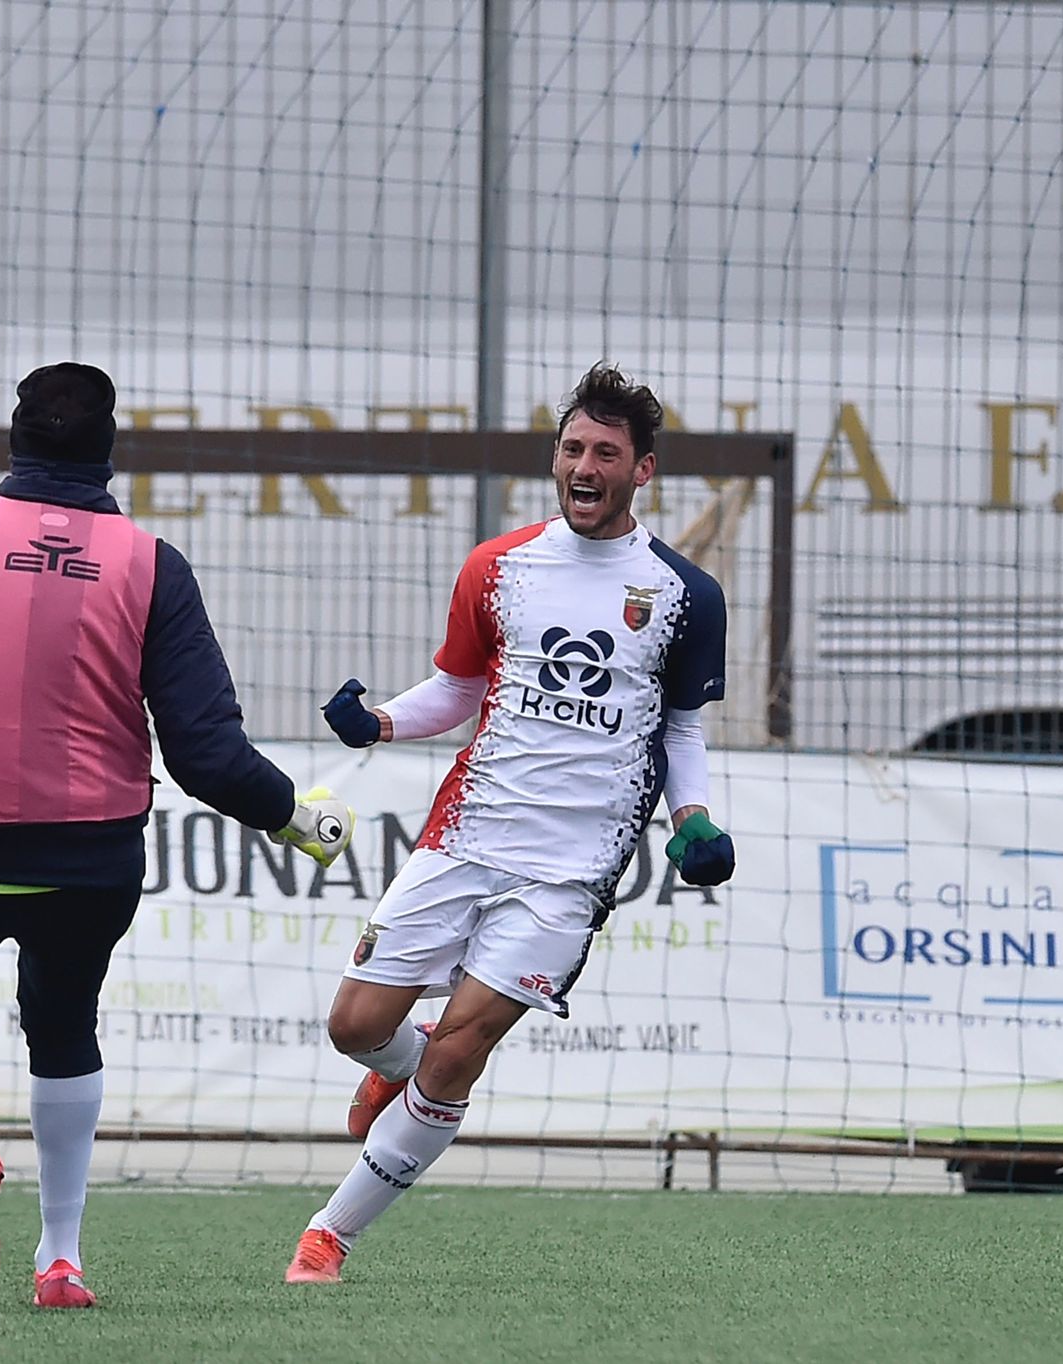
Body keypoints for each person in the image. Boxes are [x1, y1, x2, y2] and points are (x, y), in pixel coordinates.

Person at [0, 362, 350, 1309]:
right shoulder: (150, 564)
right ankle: (61, 1261)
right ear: (106, 454)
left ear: (15, 442)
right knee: (62, 1029)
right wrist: (295, 817)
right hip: (93, 861)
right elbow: (206, 754)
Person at [283, 362, 736, 1285]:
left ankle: (329, 1235)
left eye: (606, 452)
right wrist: (378, 722)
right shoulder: (497, 567)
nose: (585, 464)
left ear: (640, 471)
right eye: (573, 447)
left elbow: (681, 726)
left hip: (574, 867)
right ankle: (391, 1072)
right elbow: (456, 686)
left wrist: (692, 819)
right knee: (355, 1024)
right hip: (469, 834)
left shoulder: (684, 595)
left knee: (459, 1048)